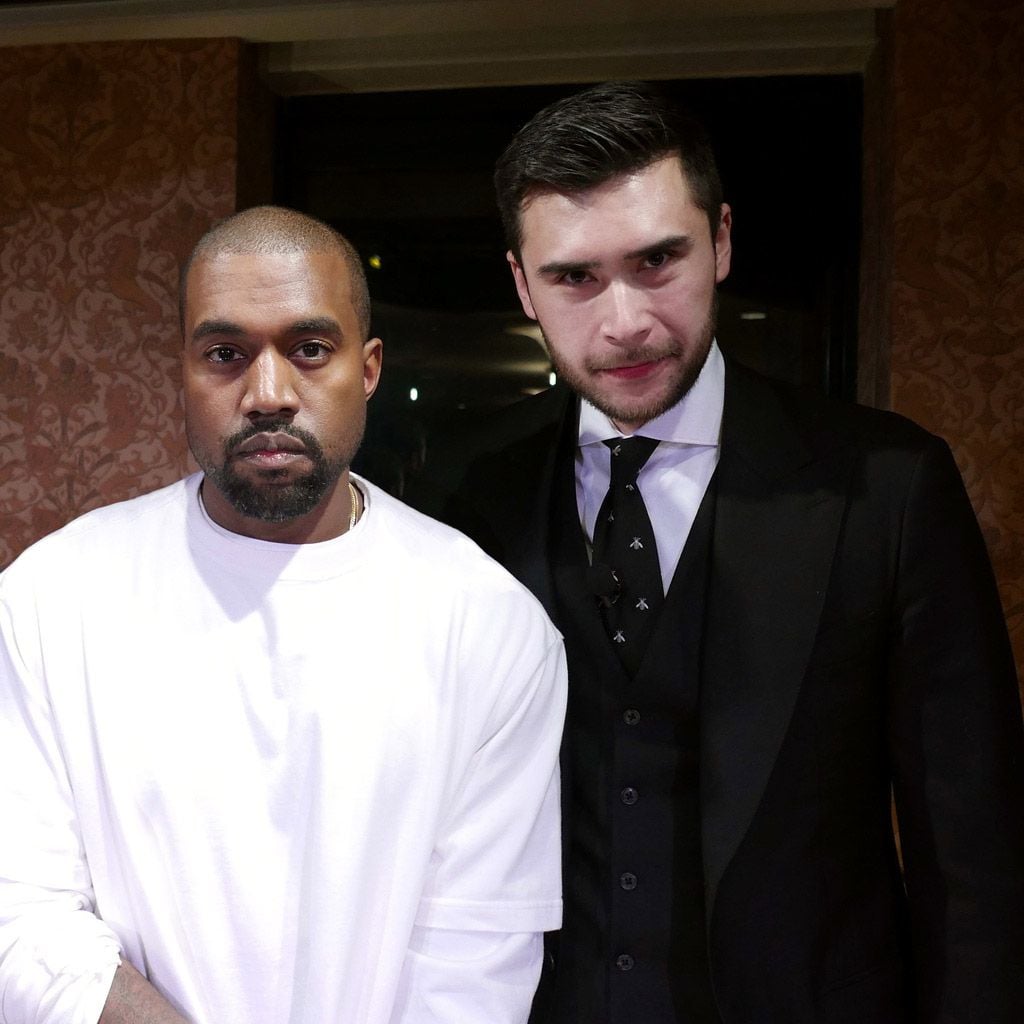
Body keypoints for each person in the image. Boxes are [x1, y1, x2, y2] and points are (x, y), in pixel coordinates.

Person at [419, 82, 1024, 1022]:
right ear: (522, 286)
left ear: (723, 241)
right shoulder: (465, 490)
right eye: (575, 277)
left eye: (658, 259)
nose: (624, 320)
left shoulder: (887, 486)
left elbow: (973, 846)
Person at [0, 206, 567, 1024]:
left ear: (367, 369)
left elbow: (474, 971)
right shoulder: (51, 599)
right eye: (225, 355)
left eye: (309, 350)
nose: (268, 395)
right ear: (183, 371)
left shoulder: (490, 628)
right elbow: (19, 914)